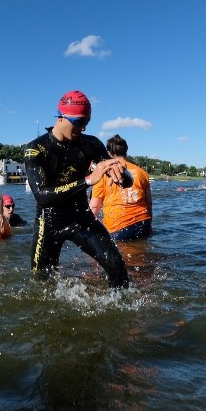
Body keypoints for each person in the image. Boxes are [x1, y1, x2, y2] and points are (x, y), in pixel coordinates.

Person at [24, 89, 132, 288]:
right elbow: (42, 196)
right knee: (41, 285)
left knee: (117, 267)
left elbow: (127, 181)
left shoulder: (91, 144)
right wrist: (89, 180)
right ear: (61, 117)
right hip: (48, 222)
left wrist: (122, 175)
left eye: (87, 122)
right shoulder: (36, 149)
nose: (83, 128)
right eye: (79, 122)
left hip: (81, 218)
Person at [89, 135, 153, 241]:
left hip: (119, 227)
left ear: (108, 153)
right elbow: (149, 203)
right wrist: (149, 224)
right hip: (144, 223)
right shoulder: (142, 173)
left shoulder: (104, 174)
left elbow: (94, 207)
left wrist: (90, 233)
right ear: (126, 151)